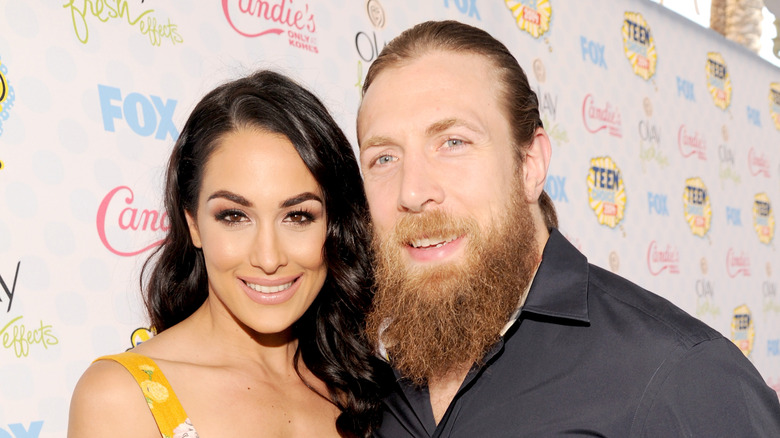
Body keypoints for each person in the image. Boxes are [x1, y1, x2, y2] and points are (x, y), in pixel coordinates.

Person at [356, 20, 780, 437]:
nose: (412, 191)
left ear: (530, 165)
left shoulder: (681, 377)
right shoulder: (360, 387)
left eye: (453, 142)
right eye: (384, 158)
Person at [68, 70, 388, 437]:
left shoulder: (362, 391)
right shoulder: (123, 397)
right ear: (192, 224)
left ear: (335, 224)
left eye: (298, 216)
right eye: (234, 216)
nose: (268, 259)